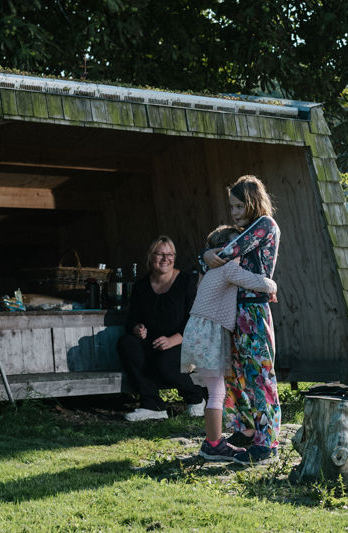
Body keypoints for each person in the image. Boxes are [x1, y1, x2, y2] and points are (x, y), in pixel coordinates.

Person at [202, 175, 282, 463]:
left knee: (260, 378)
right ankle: (247, 431)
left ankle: (268, 442)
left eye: (239, 206)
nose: (234, 213)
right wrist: (208, 255)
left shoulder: (264, 226)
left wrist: (208, 254)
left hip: (254, 312)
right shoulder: (243, 230)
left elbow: (226, 254)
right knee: (237, 375)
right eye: (232, 207)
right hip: (235, 310)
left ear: (252, 202)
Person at [182, 225, 278, 462]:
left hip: (200, 330)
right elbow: (257, 282)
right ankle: (213, 444)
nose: (241, 251)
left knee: (215, 389)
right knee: (216, 392)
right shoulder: (228, 269)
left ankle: (215, 441)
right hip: (209, 332)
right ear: (225, 250)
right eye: (237, 247)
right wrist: (273, 286)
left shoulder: (211, 271)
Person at [119, 236, 205, 422]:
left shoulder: (186, 282)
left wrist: (173, 339)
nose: (166, 258)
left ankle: (196, 398)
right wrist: (136, 328)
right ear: (151, 257)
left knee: (163, 364)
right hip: (151, 343)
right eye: (160, 254)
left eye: (170, 254)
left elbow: (195, 320)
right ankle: (153, 405)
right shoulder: (141, 286)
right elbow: (132, 319)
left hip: (182, 342)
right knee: (126, 344)